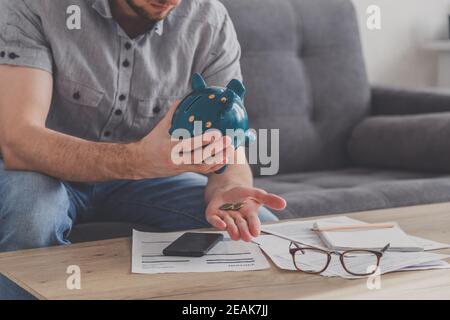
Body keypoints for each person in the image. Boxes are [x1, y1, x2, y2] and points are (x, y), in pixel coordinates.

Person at [0, 0, 287, 299]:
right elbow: (20, 140)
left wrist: (227, 188)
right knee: (29, 221)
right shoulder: (36, 6)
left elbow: (229, 141)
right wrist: (136, 161)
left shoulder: (208, 20)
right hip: (42, 169)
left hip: (149, 176)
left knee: (256, 232)